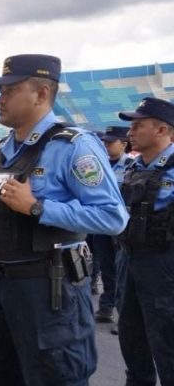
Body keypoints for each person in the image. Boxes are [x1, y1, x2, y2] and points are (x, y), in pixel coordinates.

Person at [0, 54, 128, 384]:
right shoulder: (7, 148)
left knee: (56, 376)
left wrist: (39, 208)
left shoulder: (73, 147)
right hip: (2, 283)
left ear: (40, 94)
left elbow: (113, 217)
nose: (0, 97)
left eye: (10, 90)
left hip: (48, 285)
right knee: (8, 375)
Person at [116, 97, 174, 386]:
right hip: (129, 259)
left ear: (162, 130)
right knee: (131, 335)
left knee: (167, 342)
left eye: (138, 125)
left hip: (163, 264)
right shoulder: (132, 166)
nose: (131, 131)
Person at [93, 126, 133, 325]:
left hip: (121, 226)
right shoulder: (99, 165)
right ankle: (107, 307)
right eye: (105, 142)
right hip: (101, 225)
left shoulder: (131, 166)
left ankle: (122, 315)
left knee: (121, 269)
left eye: (110, 143)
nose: (106, 146)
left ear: (123, 144)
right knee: (107, 268)